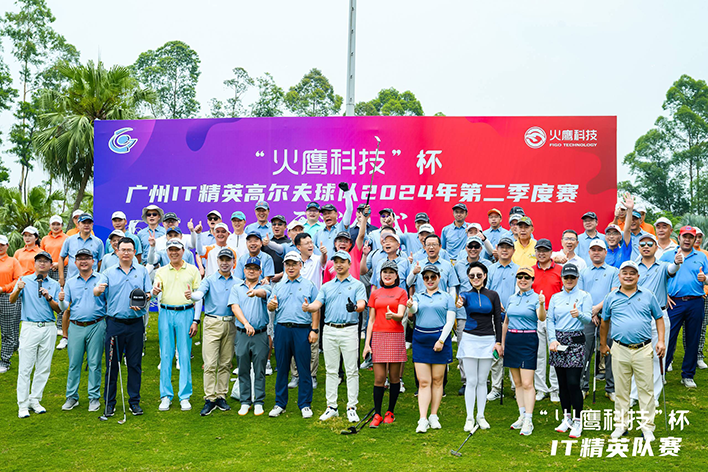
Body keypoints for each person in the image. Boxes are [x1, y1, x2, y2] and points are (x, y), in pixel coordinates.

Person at [601, 260, 666, 442]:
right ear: (619, 276)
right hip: (619, 348)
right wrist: (603, 344)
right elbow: (605, 322)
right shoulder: (611, 297)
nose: (628, 276)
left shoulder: (648, 295)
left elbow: (659, 318)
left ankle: (647, 427)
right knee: (621, 390)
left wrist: (661, 341)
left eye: (632, 273)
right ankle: (621, 425)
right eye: (625, 273)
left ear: (638, 276)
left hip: (643, 349)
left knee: (646, 390)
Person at [303, 251, 367, 422]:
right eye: (336, 261)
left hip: (349, 330)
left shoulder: (357, 285)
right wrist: (309, 307)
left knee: (351, 370)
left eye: (342, 261)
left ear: (349, 264)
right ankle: (331, 407)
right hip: (330, 330)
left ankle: (351, 407)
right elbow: (317, 304)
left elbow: (362, 304)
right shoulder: (326, 286)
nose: (338, 265)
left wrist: (355, 307)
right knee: (331, 370)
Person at [94, 237, 152, 417]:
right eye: (123, 249)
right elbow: (97, 291)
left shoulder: (142, 271)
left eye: (129, 250)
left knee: (134, 364)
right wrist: (97, 290)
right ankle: (109, 403)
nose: (126, 253)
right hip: (114, 324)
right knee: (112, 365)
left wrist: (143, 301)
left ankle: (134, 402)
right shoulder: (108, 272)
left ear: (134, 252)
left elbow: (148, 293)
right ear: (117, 251)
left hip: (135, 324)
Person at [267, 252, 320, 418]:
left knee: (304, 368)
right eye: (288, 264)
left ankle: (305, 404)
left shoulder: (309, 285)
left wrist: (314, 330)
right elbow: (271, 306)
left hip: (302, 330)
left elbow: (315, 309)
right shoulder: (279, 286)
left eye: (294, 264)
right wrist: (271, 305)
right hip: (282, 329)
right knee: (282, 368)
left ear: (300, 265)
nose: (290, 267)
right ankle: (280, 403)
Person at [630, 233, 680, 405]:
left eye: (650, 244)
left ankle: (653, 396)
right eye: (643, 244)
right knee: (636, 356)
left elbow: (672, 269)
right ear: (639, 248)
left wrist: (677, 262)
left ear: (656, 247)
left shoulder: (663, 266)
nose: (646, 246)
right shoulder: (633, 268)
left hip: (659, 315)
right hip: (638, 316)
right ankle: (634, 394)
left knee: (658, 355)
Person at [152, 239, 201, 412]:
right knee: (166, 354)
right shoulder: (161, 271)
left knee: (185, 354)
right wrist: (154, 291)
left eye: (177, 249)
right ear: (167, 251)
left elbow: (199, 296)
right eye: (171, 250)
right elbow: (155, 289)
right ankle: (165, 395)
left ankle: (184, 395)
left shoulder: (193, 270)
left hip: (186, 313)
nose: (174, 253)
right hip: (166, 313)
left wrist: (196, 320)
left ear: (183, 251)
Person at [10, 251, 61, 418]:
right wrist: (18, 289)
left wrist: (49, 297)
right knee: (25, 367)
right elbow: (11, 299)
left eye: (45, 261)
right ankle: (22, 404)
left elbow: (58, 309)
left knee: (44, 367)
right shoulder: (24, 280)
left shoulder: (54, 284)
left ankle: (35, 400)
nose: (42, 264)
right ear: (35, 263)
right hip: (30, 326)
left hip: (48, 327)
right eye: (39, 261)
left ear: (50, 265)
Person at [189, 248, 239, 416]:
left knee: (225, 363)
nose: (225, 263)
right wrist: (191, 295)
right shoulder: (209, 280)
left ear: (233, 262)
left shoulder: (238, 282)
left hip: (231, 323)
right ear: (217, 261)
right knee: (210, 364)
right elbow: (199, 295)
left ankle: (221, 396)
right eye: (222, 259)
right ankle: (210, 398)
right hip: (212, 323)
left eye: (228, 260)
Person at [407, 264, 456, 433]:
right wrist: (410, 305)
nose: (429, 280)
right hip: (421, 339)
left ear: (439, 278)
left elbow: (450, 321)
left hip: (440, 339)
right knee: (424, 381)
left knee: (437, 380)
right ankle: (422, 419)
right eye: (426, 277)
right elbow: (414, 310)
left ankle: (433, 415)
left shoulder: (447, 297)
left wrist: (441, 341)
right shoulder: (418, 296)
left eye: (433, 277)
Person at [547, 263, 593, 439]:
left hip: (575, 341)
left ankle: (578, 420)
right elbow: (550, 319)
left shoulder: (584, 296)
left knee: (573, 382)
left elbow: (588, 319)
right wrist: (552, 339)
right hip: (558, 342)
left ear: (577, 278)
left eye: (572, 277)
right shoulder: (555, 297)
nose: (569, 280)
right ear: (562, 278)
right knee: (562, 383)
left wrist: (578, 314)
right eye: (566, 277)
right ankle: (566, 418)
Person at [456, 262, 503, 432]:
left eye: (478, 275)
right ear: (468, 278)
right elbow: (460, 302)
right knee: (471, 381)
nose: (475, 278)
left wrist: (498, 342)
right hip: (469, 340)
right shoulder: (465, 295)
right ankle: (469, 417)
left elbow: (497, 319)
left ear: (485, 276)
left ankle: (481, 416)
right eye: (472, 276)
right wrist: (459, 303)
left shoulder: (493, 295)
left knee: (483, 380)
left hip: (488, 340)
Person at [58, 248, 106, 413]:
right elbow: (64, 307)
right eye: (80, 259)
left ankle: (94, 397)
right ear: (75, 262)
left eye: (86, 258)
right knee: (74, 363)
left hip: (97, 325)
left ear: (93, 261)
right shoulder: (71, 282)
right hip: (76, 326)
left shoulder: (101, 278)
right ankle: (72, 397)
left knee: (94, 363)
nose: (83, 261)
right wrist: (61, 300)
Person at [660, 226, 708, 388]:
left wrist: (705, 278)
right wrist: (665, 295)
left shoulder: (701, 256)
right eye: (684, 236)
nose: (687, 240)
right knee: (668, 338)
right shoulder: (668, 255)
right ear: (679, 238)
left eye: (691, 237)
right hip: (674, 302)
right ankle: (661, 372)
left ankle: (688, 375)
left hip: (695, 301)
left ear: (694, 240)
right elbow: (659, 277)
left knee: (693, 339)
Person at [362, 261, 408, 427]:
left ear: (396, 275)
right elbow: (371, 320)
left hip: (395, 336)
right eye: (385, 272)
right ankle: (377, 413)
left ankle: (390, 411)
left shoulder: (402, 292)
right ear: (380, 275)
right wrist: (367, 344)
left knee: (394, 377)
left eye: (391, 272)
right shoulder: (375, 293)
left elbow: (401, 315)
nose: (387, 275)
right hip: (379, 336)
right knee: (379, 378)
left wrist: (393, 315)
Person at [503, 266, 546, 436]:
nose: (523, 280)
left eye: (527, 277)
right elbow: (506, 322)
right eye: (520, 276)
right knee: (517, 382)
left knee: (527, 383)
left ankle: (529, 418)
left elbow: (541, 317)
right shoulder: (511, 298)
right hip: (512, 339)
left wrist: (541, 304)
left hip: (528, 339)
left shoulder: (536, 298)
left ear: (532, 280)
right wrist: (502, 343)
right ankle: (521, 415)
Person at [228, 257, 272, 416]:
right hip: (242, 334)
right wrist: (246, 323)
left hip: (260, 334)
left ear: (260, 272)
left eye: (255, 268)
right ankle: (245, 401)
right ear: (244, 270)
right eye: (248, 268)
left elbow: (264, 294)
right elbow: (235, 307)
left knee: (259, 369)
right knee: (243, 369)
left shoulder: (266, 286)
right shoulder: (236, 288)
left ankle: (258, 401)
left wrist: (256, 292)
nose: (251, 271)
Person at [578, 240, 619, 399]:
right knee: (585, 352)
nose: (596, 252)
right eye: (593, 250)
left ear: (605, 252)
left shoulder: (614, 271)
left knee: (609, 351)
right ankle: (583, 386)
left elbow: (613, 293)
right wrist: (592, 312)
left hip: (608, 317)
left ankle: (611, 388)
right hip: (588, 317)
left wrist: (597, 309)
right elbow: (581, 295)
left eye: (599, 250)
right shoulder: (583, 272)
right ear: (589, 253)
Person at [454, 235, 494, 397]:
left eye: (476, 246)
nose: (473, 249)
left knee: (485, 348)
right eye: (470, 246)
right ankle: (467, 381)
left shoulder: (488, 265)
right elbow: (456, 287)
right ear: (465, 248)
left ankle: (484, 381)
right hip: (464, 313)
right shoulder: (458, 265)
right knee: (465, 348)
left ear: (481, 248)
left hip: (485, 313)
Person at [486, 236, 519, 401]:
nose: (505, 250)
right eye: (502, 247)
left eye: (508, 247)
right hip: (495, 316)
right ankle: (496, 387)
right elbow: (486, 291)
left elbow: (521, 292)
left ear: (513, 250)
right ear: (497, 250)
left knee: (512, 351)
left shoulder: (518, 269)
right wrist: (494, 303)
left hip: (513, 317)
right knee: (496, 352)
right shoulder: (491, 269)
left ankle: (516, 386)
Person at [532, 238, 562, 402]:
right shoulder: (531, 271)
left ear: (551, 252)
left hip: (555, 316)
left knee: (554, 353)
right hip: (536, 315)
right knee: (539, 354)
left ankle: (555, 389)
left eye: (545, 250)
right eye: (539, 250)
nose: (542, 253)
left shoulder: (560, 270)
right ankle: (541, 388)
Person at [59, 214, 105, 287]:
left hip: (92, 282)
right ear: (78, 224)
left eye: (89, 223)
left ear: (92, 225)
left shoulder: (98, 242)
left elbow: (100, 262)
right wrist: (61, 277)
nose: (86, 225)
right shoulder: (69, 240)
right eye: (83, 223)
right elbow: (61, 257)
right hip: (72, 281)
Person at [0, 234, 23, 374]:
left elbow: (17, 279)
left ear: (7, 246)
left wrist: (3, 288)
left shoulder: (13, 261)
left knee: (7, 331)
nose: (0, 247)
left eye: (2, 245)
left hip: (6, 298)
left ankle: (5, 361)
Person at [261, 215, 289, 283]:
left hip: (285, 280)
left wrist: (281, 275)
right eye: (274, 224)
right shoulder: (265, 243)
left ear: (285, 227)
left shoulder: (289, 244)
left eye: (280, 224)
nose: (276, 226)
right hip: (266, 281)